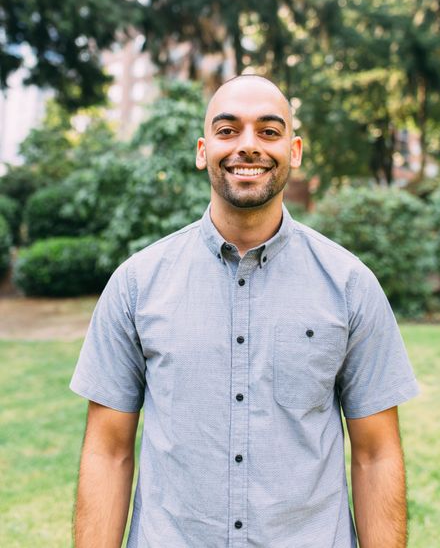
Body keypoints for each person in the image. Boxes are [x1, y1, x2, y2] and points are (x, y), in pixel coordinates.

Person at [70, 74, 419, 548]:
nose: (248, 146)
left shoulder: (350, 286)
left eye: (269, 132)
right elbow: (107, 453)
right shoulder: (136, 285)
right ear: (202, 150)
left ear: (294, 151)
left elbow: (376, 454)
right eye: (228, 130)